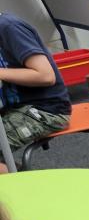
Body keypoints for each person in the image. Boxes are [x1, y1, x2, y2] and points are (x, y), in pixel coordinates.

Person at [0, 12, 71, 173]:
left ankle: (25, 190)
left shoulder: (10, 28)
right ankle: (20, 182)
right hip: (15, 107)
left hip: (45, 110)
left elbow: (45, 76)